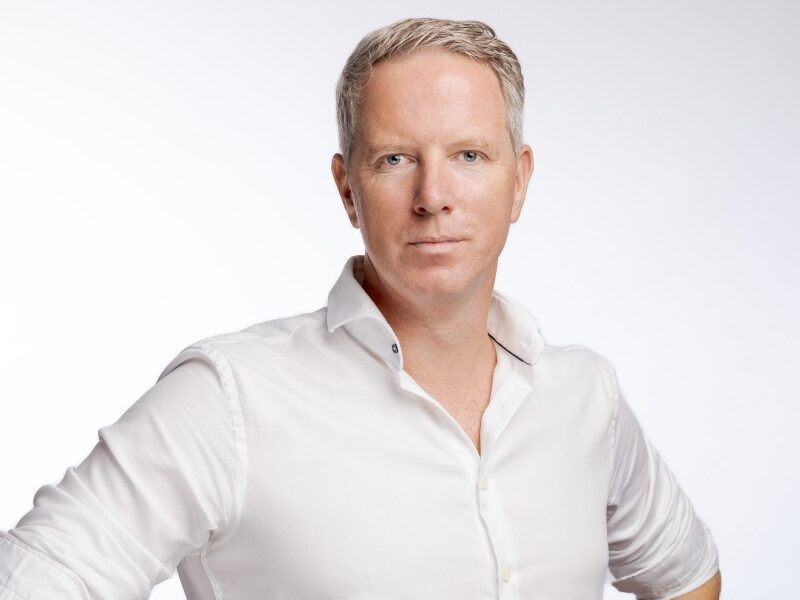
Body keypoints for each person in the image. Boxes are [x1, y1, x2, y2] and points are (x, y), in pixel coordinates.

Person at [0, 17, 721, 600]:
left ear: (519, 181)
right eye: (395, 159)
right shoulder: (233, 401)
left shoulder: (585, 396)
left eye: (469, 156)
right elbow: (37, 577)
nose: (433, 195)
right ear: (348, 190)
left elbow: (686, 575)